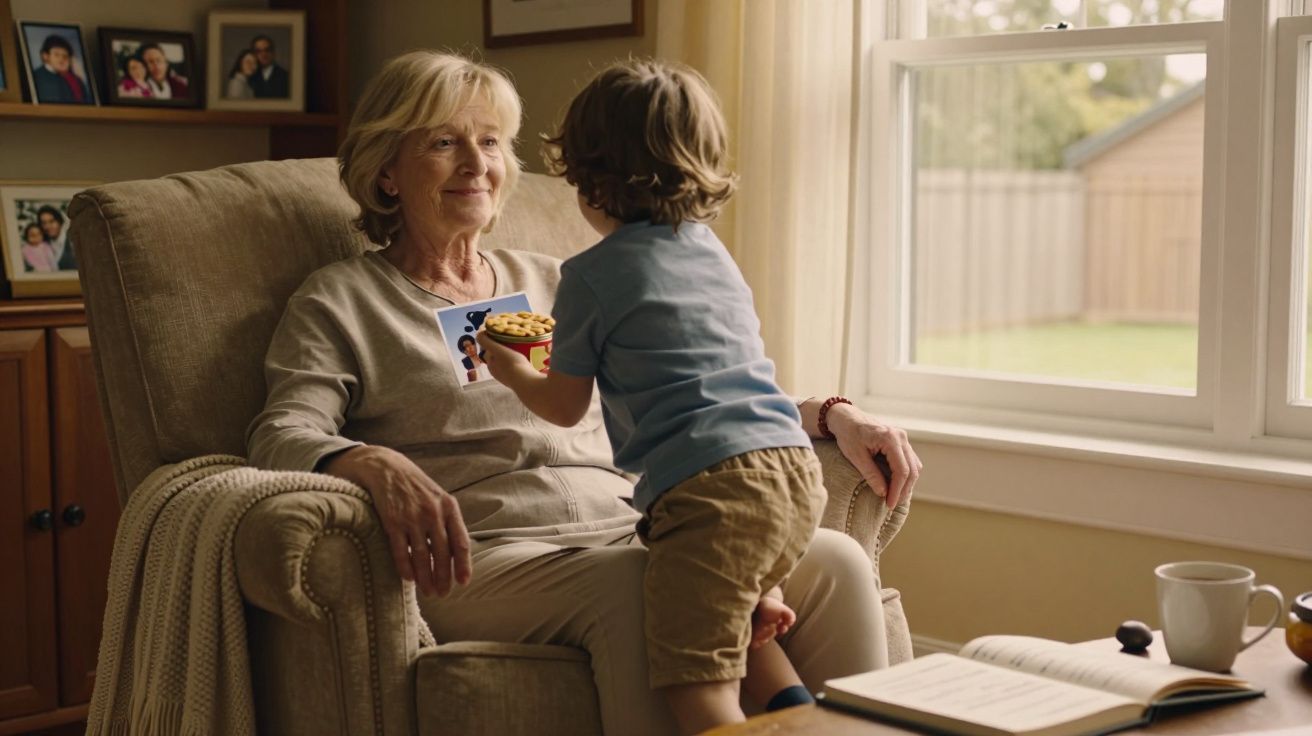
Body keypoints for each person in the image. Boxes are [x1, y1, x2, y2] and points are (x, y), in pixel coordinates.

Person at [247, 51, 920, 736]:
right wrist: (364, 461)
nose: (477, 164)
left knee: (833, 560)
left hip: (635, 523)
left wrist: (833, 415)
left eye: (491, 142)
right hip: (489, 552)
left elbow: (689, 388)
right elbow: (280, 432)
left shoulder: (560, 278)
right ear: (386, 169)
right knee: (637, 586)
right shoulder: (341, 300)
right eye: (445, 142)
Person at [478, 58, 827, 733]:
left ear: (590, 182)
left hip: (711, 491)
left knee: (697, 689)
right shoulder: (709, 251)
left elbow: (563, 406)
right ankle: (801, 707)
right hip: (790, 469)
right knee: (755, 644)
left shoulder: (590, 278)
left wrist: (512, 368)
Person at [31, 34, 90, 104]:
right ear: (45, 56)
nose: (61, 59)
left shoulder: (73, 79)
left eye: (65, 56)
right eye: (56, 55)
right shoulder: (37, 76)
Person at [36, 205, 74, 271]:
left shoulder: (73, 241)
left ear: (59, 222)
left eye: (51, 221)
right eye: (44, 223)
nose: (47, 226)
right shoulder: (41, 244)